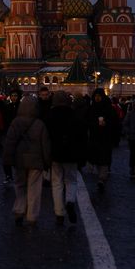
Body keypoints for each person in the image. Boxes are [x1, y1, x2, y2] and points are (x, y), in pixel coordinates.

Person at [2, 94, 51, 226]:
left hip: (19, 160)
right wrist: (47, 162)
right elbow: (45, 145)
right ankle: (32, 215)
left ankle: (19, 209)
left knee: (20, 186)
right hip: (36, 160)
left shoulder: (16, 122)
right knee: (34, 188)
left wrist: (7, 159)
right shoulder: (40, 124)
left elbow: (10, 142)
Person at [46, 90, 86, 226]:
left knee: (56, 183)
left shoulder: (50, 116)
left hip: (56, 154)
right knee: (71, 180)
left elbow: (46, 137)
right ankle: (70, 201)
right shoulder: (74, 115)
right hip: (71, 154)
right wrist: (82, 155)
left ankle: (59, 213)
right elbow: (82, 137)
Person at [88, 88, 121, 195]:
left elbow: (115, 122)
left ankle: (102, 178)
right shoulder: (92, 108)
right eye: (96, 96)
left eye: (99, 96)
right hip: (95, 137)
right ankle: (101, 176)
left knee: (104, 158)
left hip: (106, 138)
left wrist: (106, 123)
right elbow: (88, 121)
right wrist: (94, 124)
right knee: (98, 158)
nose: (97, 98)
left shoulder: (109, 108)